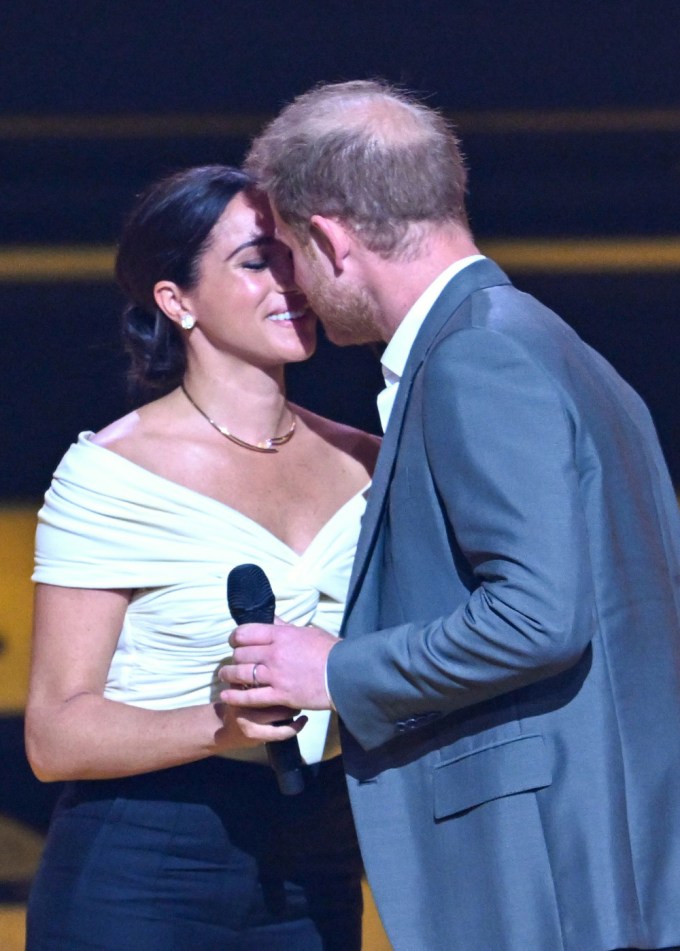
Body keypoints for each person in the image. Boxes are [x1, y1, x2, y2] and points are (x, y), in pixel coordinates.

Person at [219, 80, 680, 951]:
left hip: (543, 871)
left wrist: (337, 671)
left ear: (330, 237)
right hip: (598, 857)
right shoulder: (556, 346)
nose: (294, 285)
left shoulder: (477, 357)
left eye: (288, 253)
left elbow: (538, 615)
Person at [24, 164, 379, 951]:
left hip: (318, 854)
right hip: (145, 862)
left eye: (294, 256)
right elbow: (53, 735)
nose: (291, 281)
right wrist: (218, 724)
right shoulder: (114, 471)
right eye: (257, 261)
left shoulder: (370, 461)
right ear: (175, 299)